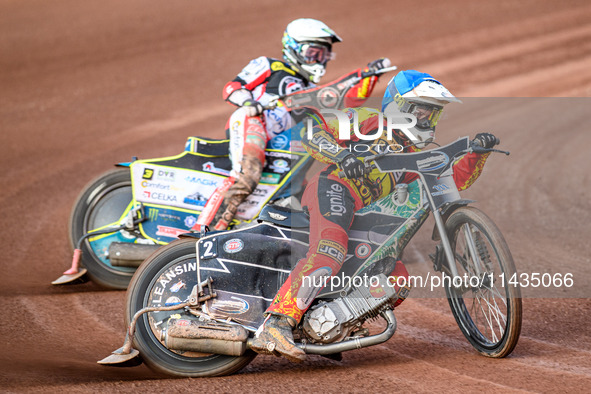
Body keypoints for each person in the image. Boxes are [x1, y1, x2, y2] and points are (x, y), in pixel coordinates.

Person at [250, 70, 500, 362]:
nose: (426, 119)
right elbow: (313, 132)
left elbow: (451, 182)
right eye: (421, 110)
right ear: (399, 106)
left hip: (361, 212)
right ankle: (277, 322)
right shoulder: (370, 121)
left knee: (395, 277)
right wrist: (343, 156)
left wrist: (477, 154)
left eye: (432, 113)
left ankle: (330, 326)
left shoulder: (410, 154)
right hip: (334, 188)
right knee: (329, 253)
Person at [209, 18, 388, 231]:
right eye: (313, 53)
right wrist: (249, 103)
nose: (319, 61)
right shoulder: (269, 65)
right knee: (248, 173)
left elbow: (343, 100)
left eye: (323, 55)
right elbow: (233, 87)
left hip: (281, 142)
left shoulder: (310, 88)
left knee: (301, 190)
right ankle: (207, 229)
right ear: (294, 48)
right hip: (253, 122)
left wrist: (369, 77)